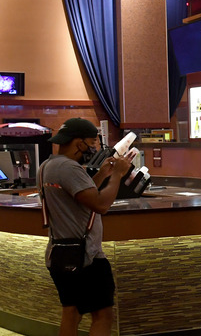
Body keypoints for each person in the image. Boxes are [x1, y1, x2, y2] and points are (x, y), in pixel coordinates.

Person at [38, 118, 132, 336]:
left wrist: (102, 174)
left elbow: (81, 195)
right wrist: (118, 174)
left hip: (60, 254)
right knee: (103, 315)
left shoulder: (47, 166)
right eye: (91, 142)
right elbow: (100, 204)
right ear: (78, 143)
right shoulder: (70, 168)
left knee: (71, 312)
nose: (93, 148)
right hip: (86, 257)